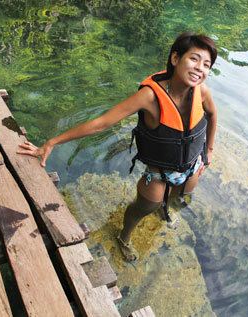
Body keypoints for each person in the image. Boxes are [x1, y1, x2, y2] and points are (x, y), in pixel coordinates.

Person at [17, 32, 218, 262]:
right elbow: (100, 123)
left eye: (206, 64)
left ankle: (167, 210)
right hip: (158, 174)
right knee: (142, 209)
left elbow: (212, 116)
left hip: (192, 168)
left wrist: (208, 151)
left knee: (179, 197)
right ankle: (124, 236)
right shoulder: (150, 97)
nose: (200, 68)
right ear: (175, 59)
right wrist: (51, 143)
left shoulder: (201, 91)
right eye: (194, 59)